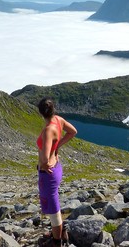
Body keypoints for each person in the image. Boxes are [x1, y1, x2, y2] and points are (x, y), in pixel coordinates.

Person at [37, 96, 77, 247]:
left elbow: (45, 159)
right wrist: (57, 145)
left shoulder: (48, 130)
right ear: (53, 109)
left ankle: (57, 241)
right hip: (57, 169)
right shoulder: (58, 120)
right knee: (53, 205)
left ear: (40, 113)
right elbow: (73, 131)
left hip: (49, 175)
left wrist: (44, 165)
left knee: (53, 210)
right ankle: (59, 231)